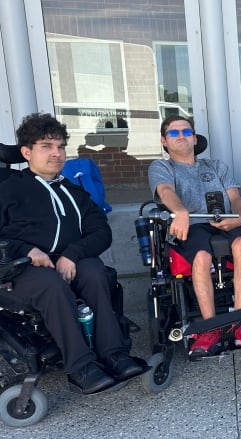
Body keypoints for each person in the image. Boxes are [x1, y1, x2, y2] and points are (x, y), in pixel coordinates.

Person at [0, 113, 147, 394]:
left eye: (60, 146)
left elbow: (101, 231)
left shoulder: (72, 190)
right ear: (26, 152)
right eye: (46, 146)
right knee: (51, 285)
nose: (56, 153)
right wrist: (26, 249)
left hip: (67, 262)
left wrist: (73, 253)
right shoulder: (8, 189)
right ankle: (81, 367)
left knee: (94, 272)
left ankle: (114, 354)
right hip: (15, 270)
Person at [148, 115, 241, 358]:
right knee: (201, 257)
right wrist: (180, 212)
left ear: (195, 137)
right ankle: (210, 328)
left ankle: (240, 322)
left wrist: (239, 216)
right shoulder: (162, 167)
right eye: (174, 133)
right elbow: (165, 191)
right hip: (190, 224)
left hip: (226, 219)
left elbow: (235, 197)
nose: (181, 136)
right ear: (164, 141)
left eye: (186, 132)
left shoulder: (216, 166)